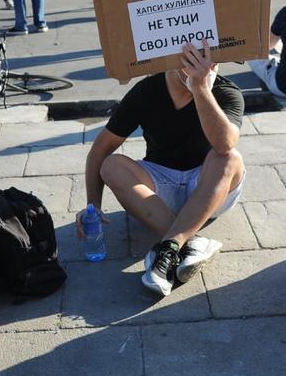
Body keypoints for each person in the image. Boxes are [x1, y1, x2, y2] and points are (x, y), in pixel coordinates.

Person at [79, 41, 246, 296]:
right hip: (161, 184)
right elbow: (101, 149)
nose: (203, 68)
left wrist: (201, 89)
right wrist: (93, 207)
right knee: (112, 165)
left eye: (210, 61)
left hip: (209, 187)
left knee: (229, 157)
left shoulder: (226, 91)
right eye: (191, 61)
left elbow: (224, 143)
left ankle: (170, 245)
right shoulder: (147, 91)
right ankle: (192, 242)